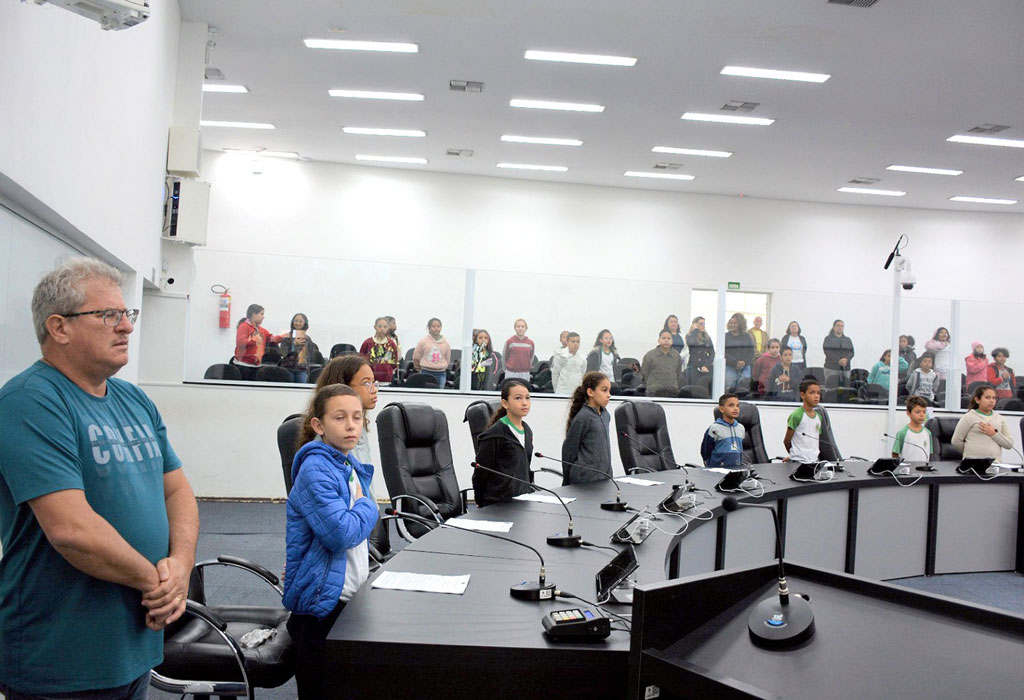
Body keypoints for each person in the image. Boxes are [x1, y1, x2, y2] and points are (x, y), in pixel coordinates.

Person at [0, 258, 198, 699]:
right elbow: (72, 530)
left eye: (127, 314)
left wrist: (181, 567)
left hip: (134, 642)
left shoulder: (133, 399)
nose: (126, 326)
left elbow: (177, 489)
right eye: (108, 315)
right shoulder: (30, 402)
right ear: (59, 327)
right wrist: (157, 584)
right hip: (63, 655)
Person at [284, 384, 378, 699]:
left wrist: (363, 510)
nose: (351, 425)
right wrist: (369, 505)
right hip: (321, 607)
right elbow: (340, 534)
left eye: (356, 417)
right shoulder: (315, 469)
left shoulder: (347, 465)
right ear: (319, 426)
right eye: (340, 418)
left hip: (346, 595)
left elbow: (355, 532)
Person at [305, 355, 380, 469]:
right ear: (343, 387)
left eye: (373, 382)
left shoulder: (359, 427)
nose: (374, 389)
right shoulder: (331, 440)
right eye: (366, 383)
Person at [473, 379, 534, 507]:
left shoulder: (527, 430)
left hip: (522, 501)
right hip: (499, 503)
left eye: (527, 398)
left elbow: (525, 467)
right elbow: (481, 474)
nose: (524, 403)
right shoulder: (495, 434)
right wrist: (481, 503)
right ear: (505, 403)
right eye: (518, 398)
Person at [562, 372, 612, 485]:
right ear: (590, 392)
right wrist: (567, 481)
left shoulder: (605, 415)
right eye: (604, 390)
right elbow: (569, 450)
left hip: (604, 476)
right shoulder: (583, 417)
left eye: (609, 391)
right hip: (585, 479)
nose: (608, 395)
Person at [951, 385, 1015, 460]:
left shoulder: (1000, 418)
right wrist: (971, 451)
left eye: (994, 398)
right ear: (977, 400)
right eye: (987, 397)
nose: (991, 401)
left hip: (995, 464)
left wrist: (994, 434)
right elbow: (956, 441)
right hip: (972, 463)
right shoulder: (969, 417)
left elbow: (1009, 444)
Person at [234, 303, 283, 379]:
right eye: (261, 314)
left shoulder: (261, 330)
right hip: (243, 365)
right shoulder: (244, 326)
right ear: (254, 314)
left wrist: (283, 337)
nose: (263, 317)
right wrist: (254, 340)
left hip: (256, 365)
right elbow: (240, 343)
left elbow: (271, 338)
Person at [701, 393, 746, 470]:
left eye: (737, 406)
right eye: (731, 405)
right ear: (722, 409)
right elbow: (705, 451)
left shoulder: (741, 428)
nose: (736, 408)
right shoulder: (714, 428)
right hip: (717, 470)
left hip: (736, 469)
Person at [783, 379, 823, 463]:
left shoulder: (819, 417)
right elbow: (787, 441)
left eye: (818, 393)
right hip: (798, 461)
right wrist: (793, 455)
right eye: (812, 393)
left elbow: (814, 441)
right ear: (802, 395)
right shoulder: (797, 415)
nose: (816, 396)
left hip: (814, 461)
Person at [278, 312, 322, 384]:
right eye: (296, 321)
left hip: (302, 370)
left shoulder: (308, 339)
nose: (298, 323)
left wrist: (301, 347)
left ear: (305, 323)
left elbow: (310, 356)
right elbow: (283, 353)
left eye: (300, 321)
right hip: (287, 369)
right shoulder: (286, 337)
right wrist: (293, 344)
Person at [641, 330, 685, 397]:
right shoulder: (650, 355)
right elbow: (645, 373)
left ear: (672, 341)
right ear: (659, 340)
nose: (666, 340)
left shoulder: (676, 356)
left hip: (672, 392)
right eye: (663, 338)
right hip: (653, 392)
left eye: (669, 338)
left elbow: (678, 374)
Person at [360, 317, 400, 384]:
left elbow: (394, 361)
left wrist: (388, 369)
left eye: (385, 327)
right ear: (375, 327)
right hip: (370, 377)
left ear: (388, 328)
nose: (382, 329)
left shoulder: (391, 344)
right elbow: (361, 359)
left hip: (386, 377)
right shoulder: (367, 343)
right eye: (380, 326)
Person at [891, 396, 934, 461]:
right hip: (907, 469)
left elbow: (930, 454)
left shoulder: (928, 433)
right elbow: (895, 454)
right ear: (909, 413)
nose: (922, 415)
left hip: (923, 469)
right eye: (918, 412)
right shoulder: (902, 433)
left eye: (924, 412)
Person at [412, 317, 451, 388]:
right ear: (429, 328)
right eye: (433, 326)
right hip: (426, 371)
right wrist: (419, 369)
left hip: (441, 373)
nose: (436, 328)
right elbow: (416, 357)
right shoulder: (423, 341)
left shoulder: (446, 343)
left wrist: (442, 366)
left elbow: (447, 358)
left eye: (438, 326)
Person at [724, 312, 754, 390]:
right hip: (730, 367)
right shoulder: (725, 337)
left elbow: (751, 352)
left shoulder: (747, 337)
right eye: (731, 323)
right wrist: (735, 363)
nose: (732, 325)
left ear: (740, 324)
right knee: (730, 388)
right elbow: (723, 352)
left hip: (745, 367)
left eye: (735, 323)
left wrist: (744, 362)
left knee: (744, 388)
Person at [822, 319, 855, 387]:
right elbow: (827, 352)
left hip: (845, 368)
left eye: (842, 326)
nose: (840, 327)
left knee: (845, 389)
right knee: (831, 388)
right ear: (834, 327)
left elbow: (851, 352)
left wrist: (846, 359)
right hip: (831, 368)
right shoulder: (828, 339)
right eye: (838, 326)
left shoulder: (847, 340)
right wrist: (838, 360)